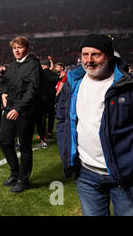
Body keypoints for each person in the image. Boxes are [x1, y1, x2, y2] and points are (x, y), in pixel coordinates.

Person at [56, 34, 133, 216]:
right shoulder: (73, 83)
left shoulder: (127, 86)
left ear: (108, 56)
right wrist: (66, 153)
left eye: (95, 54)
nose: (88, 60)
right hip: (86, 174)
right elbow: (62, 119)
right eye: (85, 55)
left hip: (124, 174)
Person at [0, 37, 42, 193]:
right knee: (4, 141)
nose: (16, 50)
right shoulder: (13, 65)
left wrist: (19, 109)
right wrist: (3, 92)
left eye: (20, 47)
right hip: (9, 108)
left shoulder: (33, 65)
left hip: (24, 111)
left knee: (24, 146)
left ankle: (23, 180)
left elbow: (33, 91)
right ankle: (14, 172)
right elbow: (6, 83)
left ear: (27, 48)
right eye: (14, 48)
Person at [35, 59, 59, 148]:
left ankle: (43, 136)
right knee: (51, 115)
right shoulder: (53, 74)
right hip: (51, 98)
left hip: (41, 99)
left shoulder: (40, 74)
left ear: (42, 66)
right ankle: (50, 131)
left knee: (42, 117)